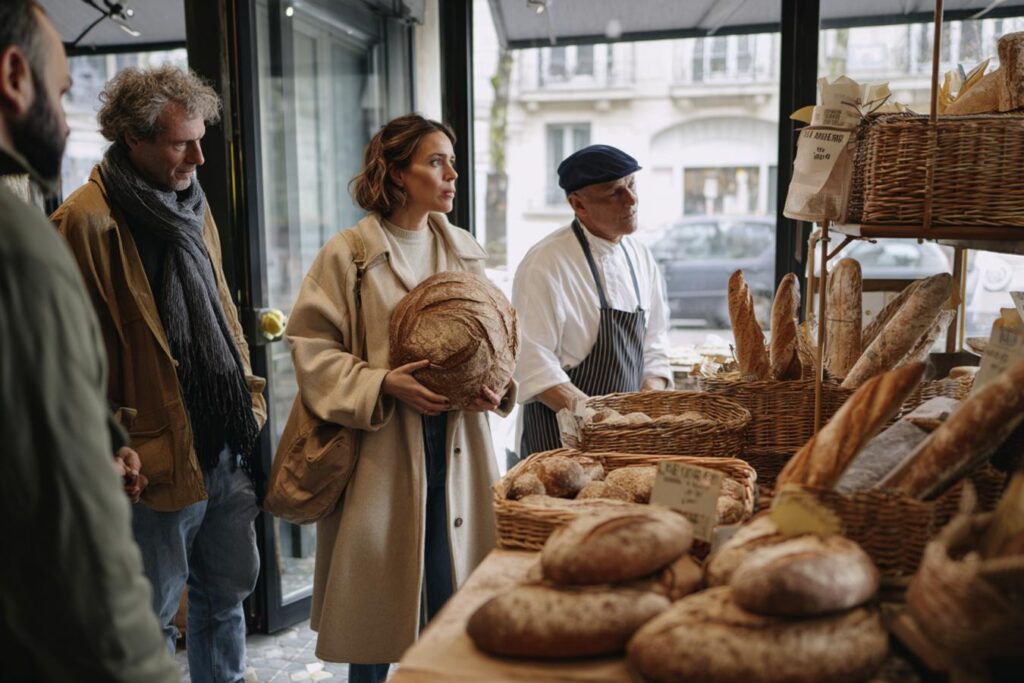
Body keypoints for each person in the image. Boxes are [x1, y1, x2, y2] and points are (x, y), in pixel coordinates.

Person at [52, 65, 267, 681]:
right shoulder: (83, 223)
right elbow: (68, 358)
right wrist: (108, 443)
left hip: (223, 446)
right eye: (181, 143)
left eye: (201, 138)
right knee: (146, 618)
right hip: (149, 459)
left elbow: (223, 312)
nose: (199, 156)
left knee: (225, 600)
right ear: (133, 139)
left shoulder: (192, 208)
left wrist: (248, 404)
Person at [285, 113, 516, 683]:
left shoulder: (464, 252)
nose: (451, 174)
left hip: (460, 443)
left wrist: (497, 388)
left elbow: (502, 337)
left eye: (451, 161)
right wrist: (383, 382)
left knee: (452, 589)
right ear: (394, 172)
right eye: (436, 161)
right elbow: (311, 348)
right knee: (377, 606)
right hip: (382, 452)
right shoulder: (349, 255)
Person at [0, 1, 178, 679]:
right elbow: (71, 526)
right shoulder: (27, 239)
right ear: (15, 75)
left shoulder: (193, 214)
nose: (64, 111)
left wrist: (101, 440)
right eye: (61, 90)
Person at [512, 144, 674, 456]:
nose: (632, 199)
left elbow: (655, 342)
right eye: (615, 192)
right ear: (578, 204)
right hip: (560, 440)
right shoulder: (545, 263)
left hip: (628, 439)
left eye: (631, 185)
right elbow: (533, 363)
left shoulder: (640, 257)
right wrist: (598, 417)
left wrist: (647, 399)